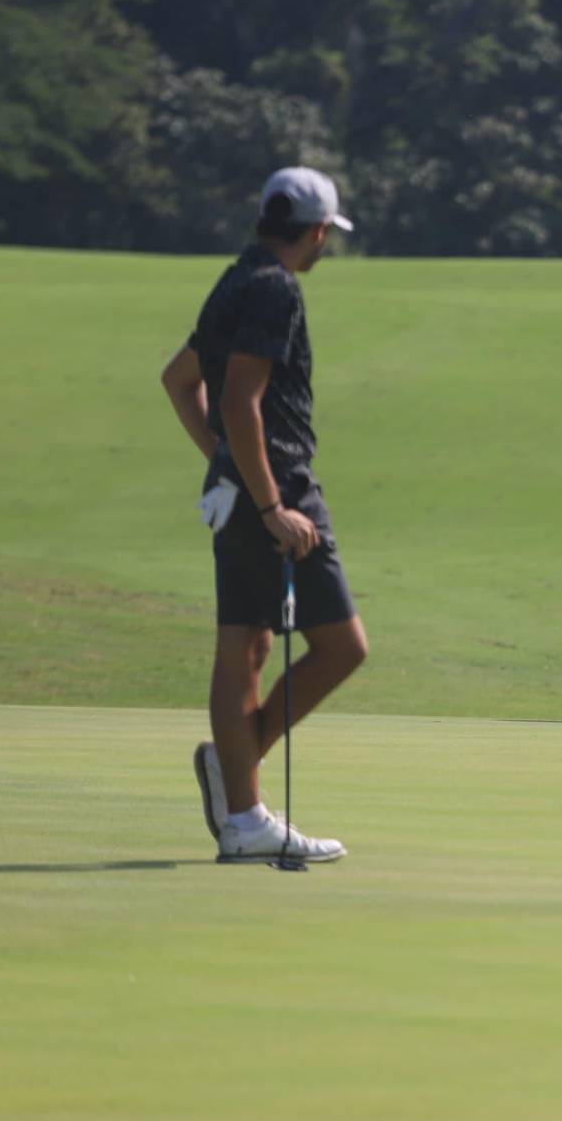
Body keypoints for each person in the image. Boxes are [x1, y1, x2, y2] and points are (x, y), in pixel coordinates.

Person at [159, 167, 367, 864]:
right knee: (340, 645)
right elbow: (242, 399)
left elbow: (180, 379)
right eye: (324, 237)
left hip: (244, 484)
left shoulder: (236, 277)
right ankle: (242, 805)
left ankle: (237, 784)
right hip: (277, 489)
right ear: (315, 231)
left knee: (247, 645)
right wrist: (270, 500)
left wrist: (223, 462)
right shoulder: (276, 288)